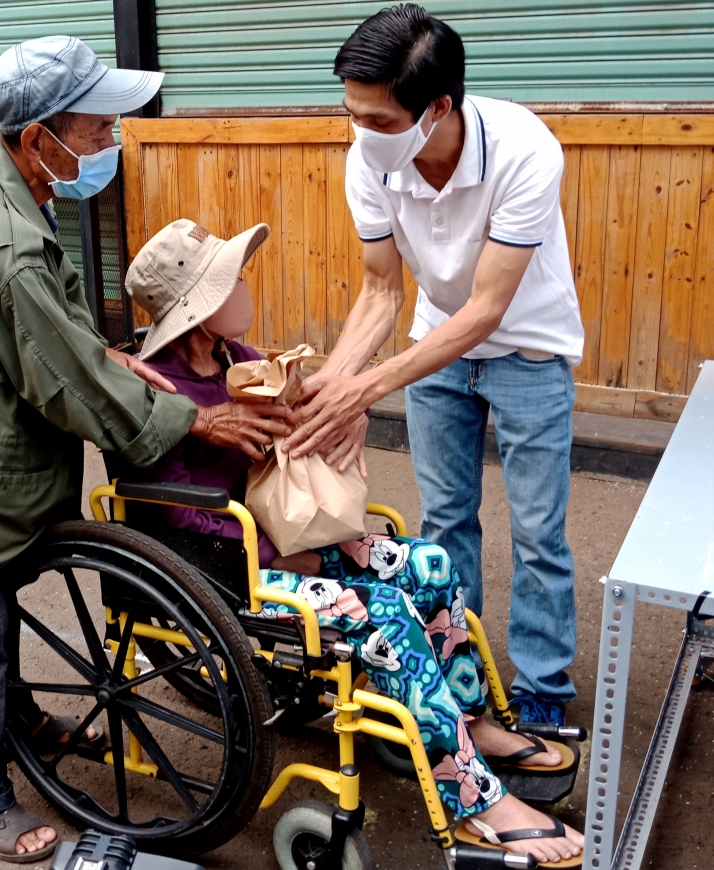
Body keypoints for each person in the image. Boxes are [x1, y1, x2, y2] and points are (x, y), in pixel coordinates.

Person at [0, 37, 291, 864]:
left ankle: (18, 719)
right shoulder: (4, 243)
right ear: (37, 135)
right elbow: (67, 384)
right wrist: (195, 420)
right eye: (94, 129)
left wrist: (111, 355)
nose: (108, 144)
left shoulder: (20, 193)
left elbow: (63, 338)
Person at [127, 218, 583, 867]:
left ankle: (468, 720)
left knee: (427, 562)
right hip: (228, 568)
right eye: (231, 281)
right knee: (387, 615)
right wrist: (272, 552)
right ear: (198, 310)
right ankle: (476, 800)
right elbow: (167, 513)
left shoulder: (241, 362)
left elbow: (311, 423)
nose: (245, 286)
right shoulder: (160, 391)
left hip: (281, 536)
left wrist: (352, 411)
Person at [285, 6, 584, 729]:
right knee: (446, 520)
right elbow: (382, 290)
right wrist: (334, 386)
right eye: (351, 115)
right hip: (435, 352)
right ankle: (459, 671)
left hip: (528, 351)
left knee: (539, 529)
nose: (361, 134)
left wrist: (368, 388)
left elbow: (486, 311)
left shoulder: (524, 151)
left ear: (438, 106)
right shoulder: (370, 157)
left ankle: (544, 686)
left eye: (379, 120)